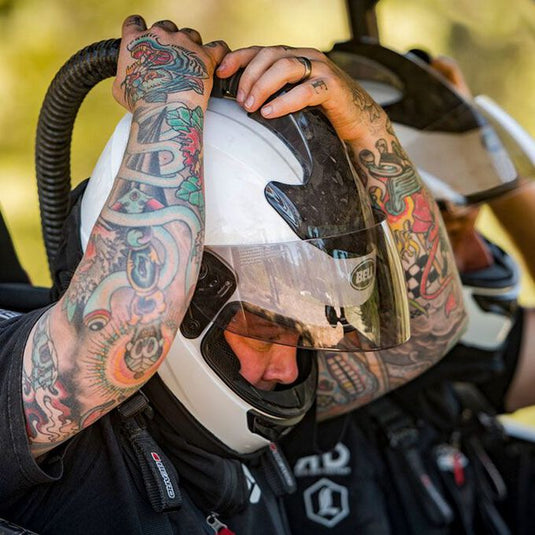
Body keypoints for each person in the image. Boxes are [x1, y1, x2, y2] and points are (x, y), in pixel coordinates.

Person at [0, 15, 466, 535]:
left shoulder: (256, 400)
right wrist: (168, 103)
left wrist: (365, 124)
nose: (288, 370)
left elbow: (434, 325)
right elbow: (124, 328)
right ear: (184, 295)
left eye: (307, 332)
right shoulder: (24, 383)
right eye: (266, 330)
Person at [276, 49, 535, 535]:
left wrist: (483, 161)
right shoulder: (289, 384)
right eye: (450, 233)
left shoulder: (462, 373)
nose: (483, 257)